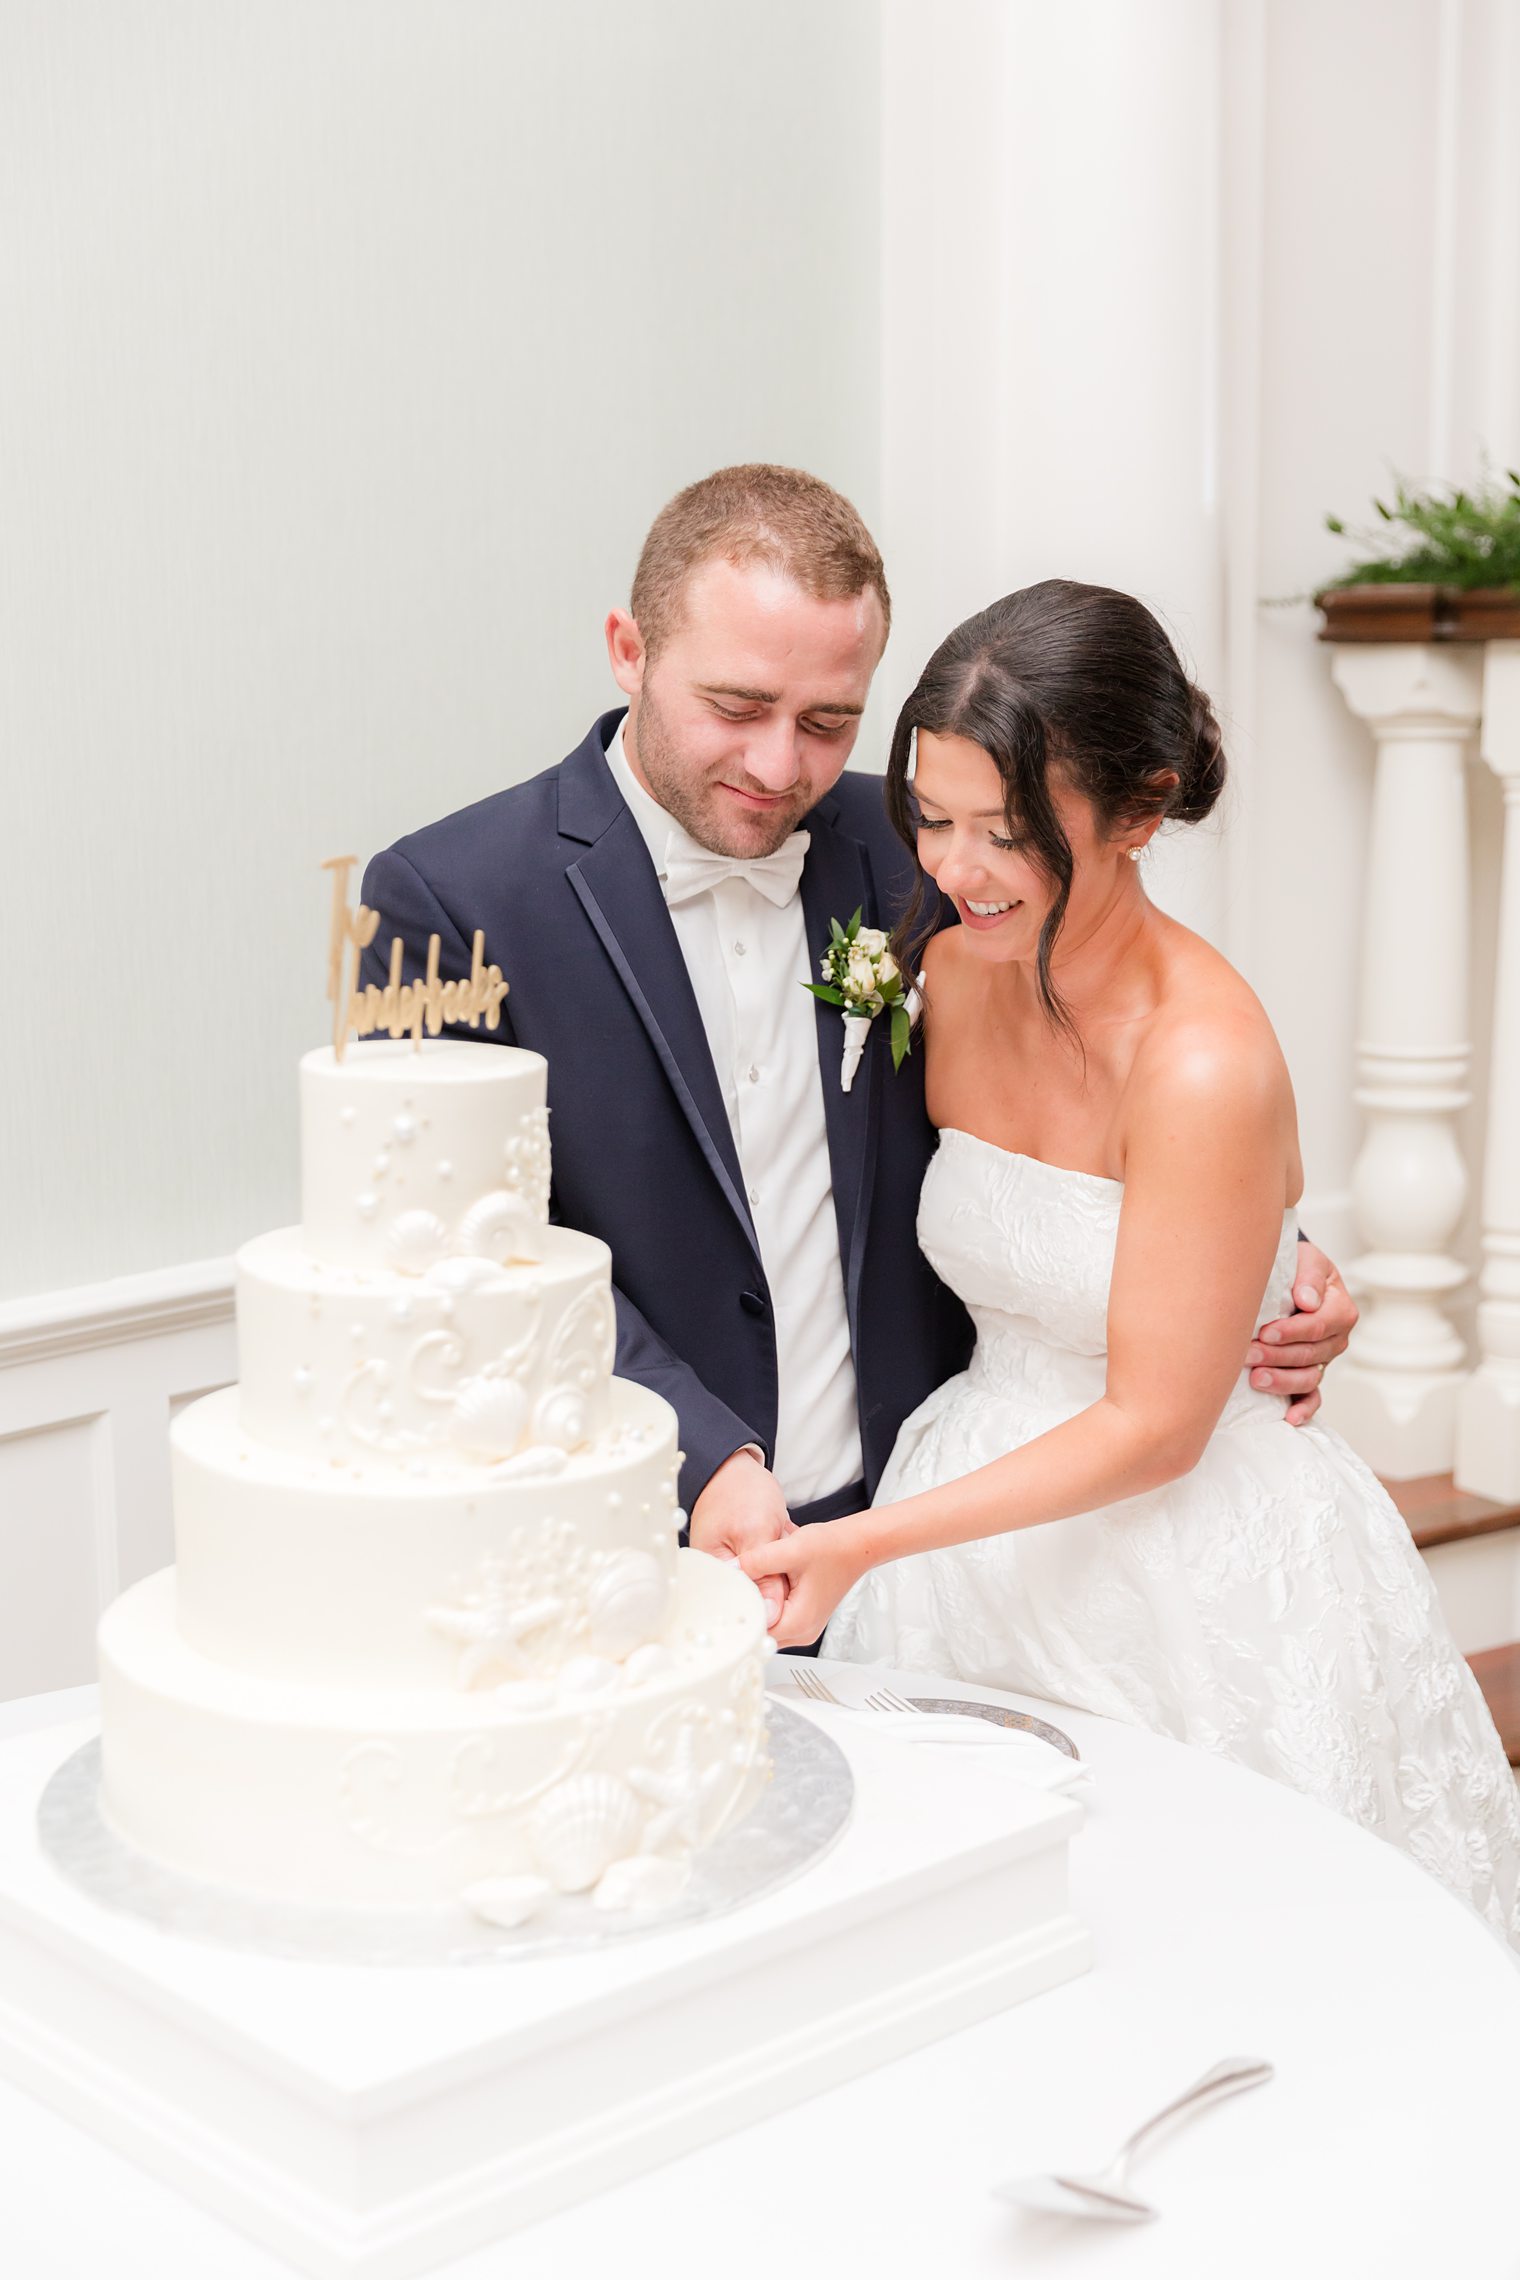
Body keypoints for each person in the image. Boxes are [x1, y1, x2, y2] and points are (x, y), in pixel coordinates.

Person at [360, 465, 1356, 1642]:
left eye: (828, 721)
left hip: (927, 1543)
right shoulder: (440, 899)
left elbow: (1098, 1094)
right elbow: (469, 1251)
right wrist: (698, 1451)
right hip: (619, 1547)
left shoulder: (927, 855)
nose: (781, 768)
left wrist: (1252, 1260)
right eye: (736, 707)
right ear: (629, 650)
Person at [737, 579, 1520, 1942]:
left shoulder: (1203, 1055)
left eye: (1007, 834)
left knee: (1211, 1940)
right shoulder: (944, 953)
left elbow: (1156, 1428)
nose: (955, 868)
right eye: (930, 818)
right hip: (970, 1530)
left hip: (1183, 1554)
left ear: (1143, 810)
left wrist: (857, 1545)